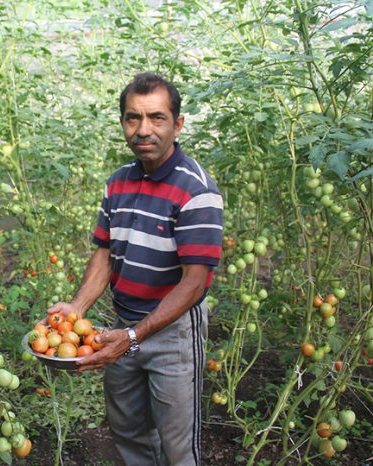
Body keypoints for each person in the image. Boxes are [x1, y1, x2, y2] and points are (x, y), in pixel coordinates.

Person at [47, 72, 224, 465]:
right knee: (128, 432)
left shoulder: (197, 190)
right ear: (123, 123)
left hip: (174, 334)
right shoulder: (118, 183)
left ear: (178, 124)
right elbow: (105, 253)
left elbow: (194, 283)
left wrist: (134, 335)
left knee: (178, 444)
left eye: (156, 118)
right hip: (120, 323)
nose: (144, 129)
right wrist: (78, 308)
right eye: (133, 118)